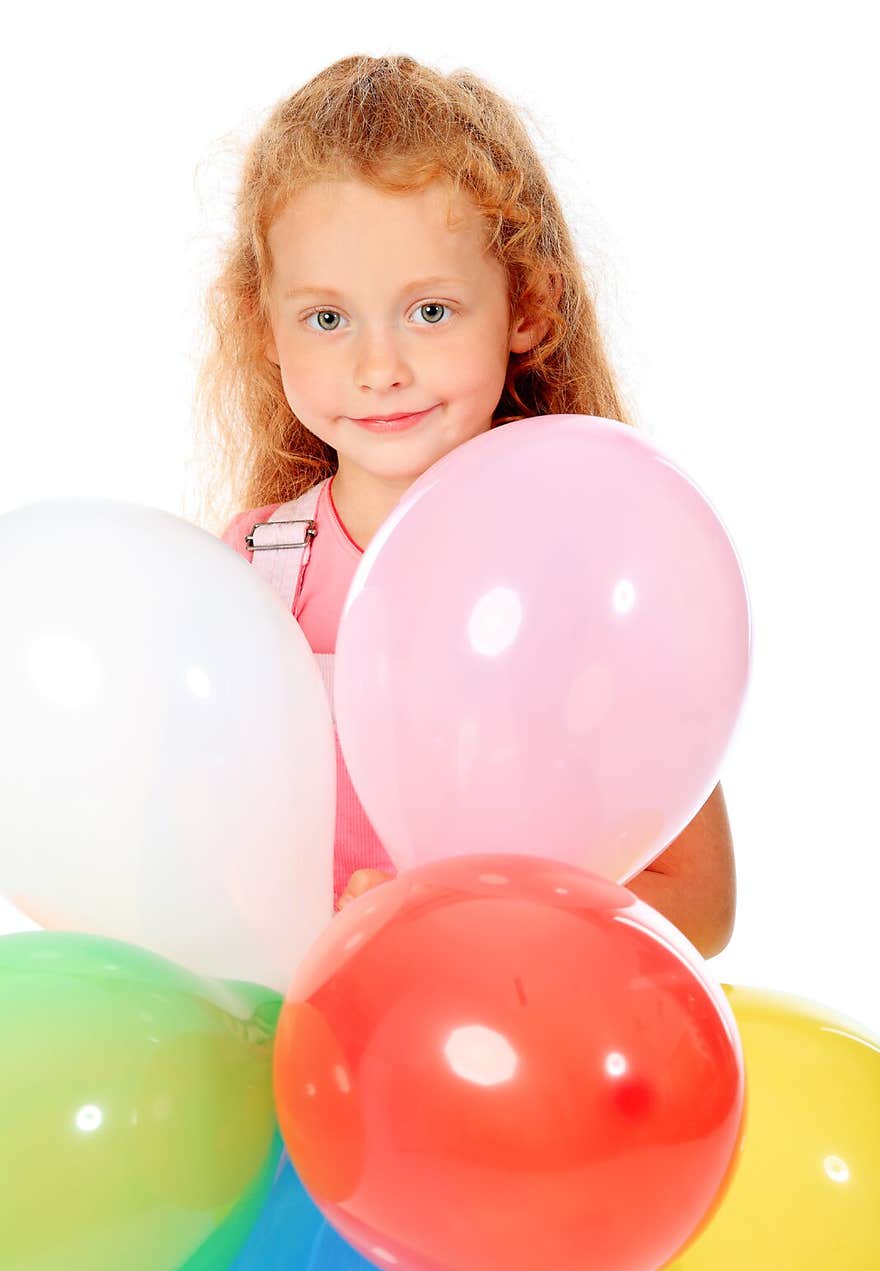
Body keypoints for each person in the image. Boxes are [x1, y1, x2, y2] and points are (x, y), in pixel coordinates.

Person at [199, 54, 735, 959]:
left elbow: (700, 903)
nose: (380, 368)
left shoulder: (595, 578)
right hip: (302, 1066)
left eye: (432, 311)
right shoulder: (252, 573)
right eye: (327, 319)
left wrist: (457, 919)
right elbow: (191, 858)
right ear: (267, 329)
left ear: (525, 307)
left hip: (517, 1060)